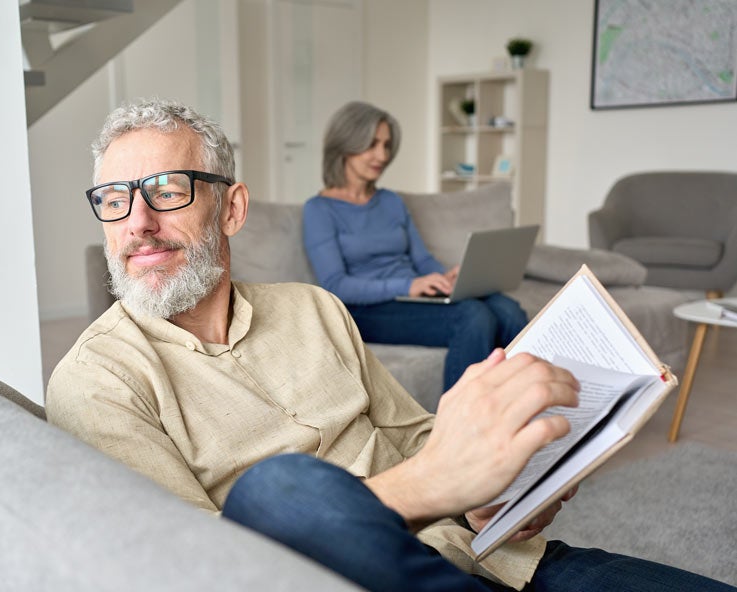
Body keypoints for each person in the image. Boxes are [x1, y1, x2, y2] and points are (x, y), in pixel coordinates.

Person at [46, 97, 735, 592]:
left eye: (165, 191)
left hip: (488, 559)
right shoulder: (98, 382)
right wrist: (442, 485)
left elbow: (416, 439)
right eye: (112, 199)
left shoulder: (314, 310)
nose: (136, 222)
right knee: (279, 490)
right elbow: (196, 567)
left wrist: (505, 489)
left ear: (231, 209)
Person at [303, 101, 528, 391]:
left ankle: (531, 405)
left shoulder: (391, 201)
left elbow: (421, 259)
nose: (382, 155)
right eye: (372, 145)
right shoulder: (319, 209)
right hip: (366, 309)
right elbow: (336, 285)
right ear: (346, 145)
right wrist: (409, 286)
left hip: (413, 296)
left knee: (507, 309)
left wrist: (444, 278)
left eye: (386, 145)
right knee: (472, 316)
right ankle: (459, 428)